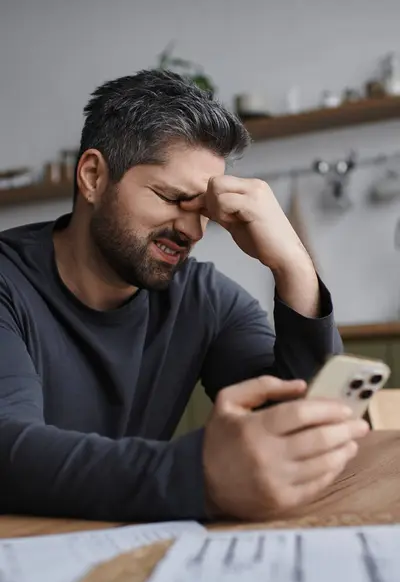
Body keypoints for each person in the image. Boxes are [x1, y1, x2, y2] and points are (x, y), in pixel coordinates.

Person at [0, 70, 368, 522]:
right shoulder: (7, 283)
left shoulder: (204, 299)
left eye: (203, 211)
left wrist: (292, 265)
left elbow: (297, 433)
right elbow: (8, 450)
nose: (192, 231)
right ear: (93, 176)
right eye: (172, 198)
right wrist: (201, 475)